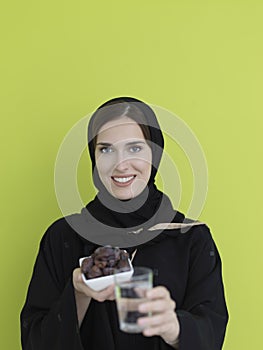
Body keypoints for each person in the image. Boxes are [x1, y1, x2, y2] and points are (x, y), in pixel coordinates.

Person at [20, 97, 228, 350]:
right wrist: (78, 293)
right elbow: (34, 342)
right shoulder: (63, 237)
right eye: (106, 149)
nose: (120, 164)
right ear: (94, 158)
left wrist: (174, 328)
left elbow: (212, 337)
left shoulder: (191, 238)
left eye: (135, 148)